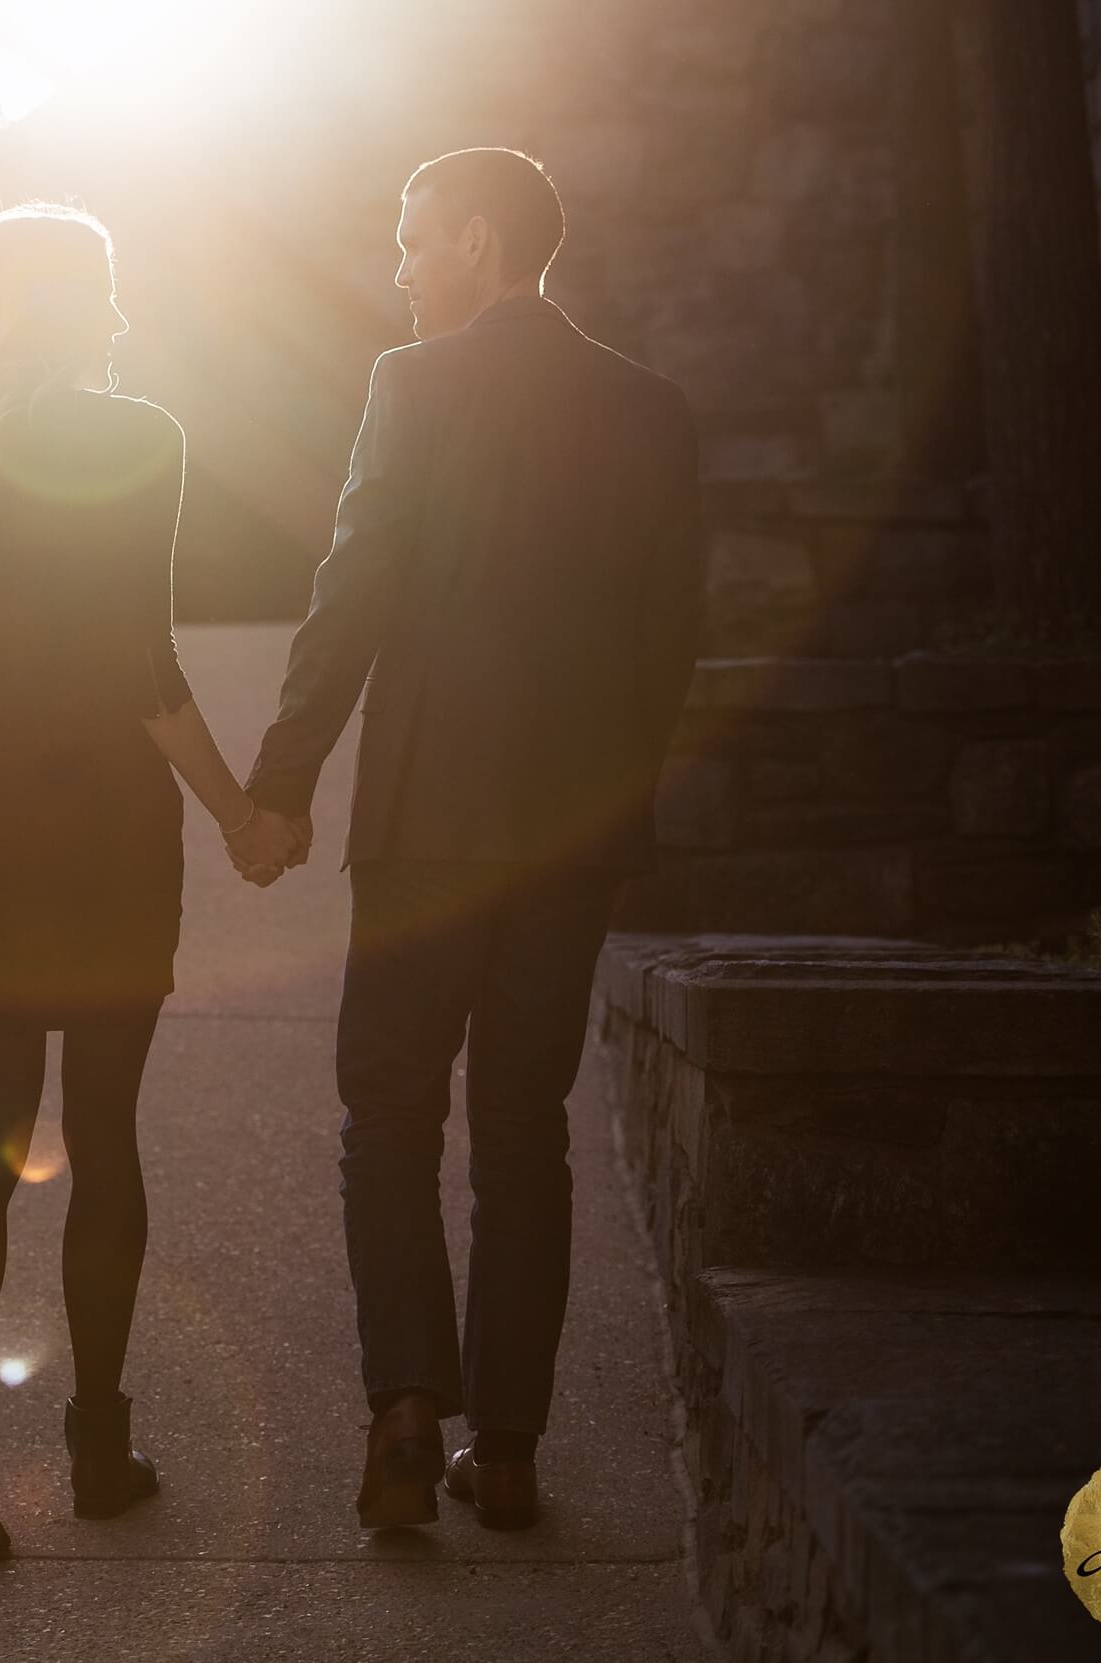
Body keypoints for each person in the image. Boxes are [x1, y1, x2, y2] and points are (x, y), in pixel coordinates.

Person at [226, 148, 705, 1532]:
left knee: (386, 1117)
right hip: (568, 837)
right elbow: (672, 634)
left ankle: (404, 1408)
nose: (403, 266)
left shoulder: (415, 386)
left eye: (417, 239)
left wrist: (282, 780)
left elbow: (356, 579)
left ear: (482, 244)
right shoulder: (651, 406)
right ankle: (505, 1450)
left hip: (427, 819)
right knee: (522, 1132)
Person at [0, 203, 287, 1563]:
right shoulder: (140, 441)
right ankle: (98, 1449)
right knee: (104, 1135)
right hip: (111, 830)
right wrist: (237, 814)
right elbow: (143, 665)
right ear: (89, 304)